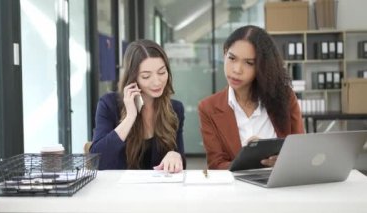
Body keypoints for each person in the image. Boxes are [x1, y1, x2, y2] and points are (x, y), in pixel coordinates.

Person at [198, 25, 304, 170]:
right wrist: (250, 157)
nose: (237, 70)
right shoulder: (208, 108)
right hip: (237, 190)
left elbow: (300, 151)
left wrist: (282, 161)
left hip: (280, 186)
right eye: (232, 58)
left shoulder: (285, 97)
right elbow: (216, 165)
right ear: (224, 54)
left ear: (262, 66)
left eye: (249, 63)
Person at [90, 39, 186, 173]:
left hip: (159, 191)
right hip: (118, 191)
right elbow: (98, 161)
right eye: (146, 76)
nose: (157, 82)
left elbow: (181, 164)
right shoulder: (109, 105)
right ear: (133, 78)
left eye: (162, 72)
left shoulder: (175, 109)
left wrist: (175, 156)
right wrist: (130, 117)